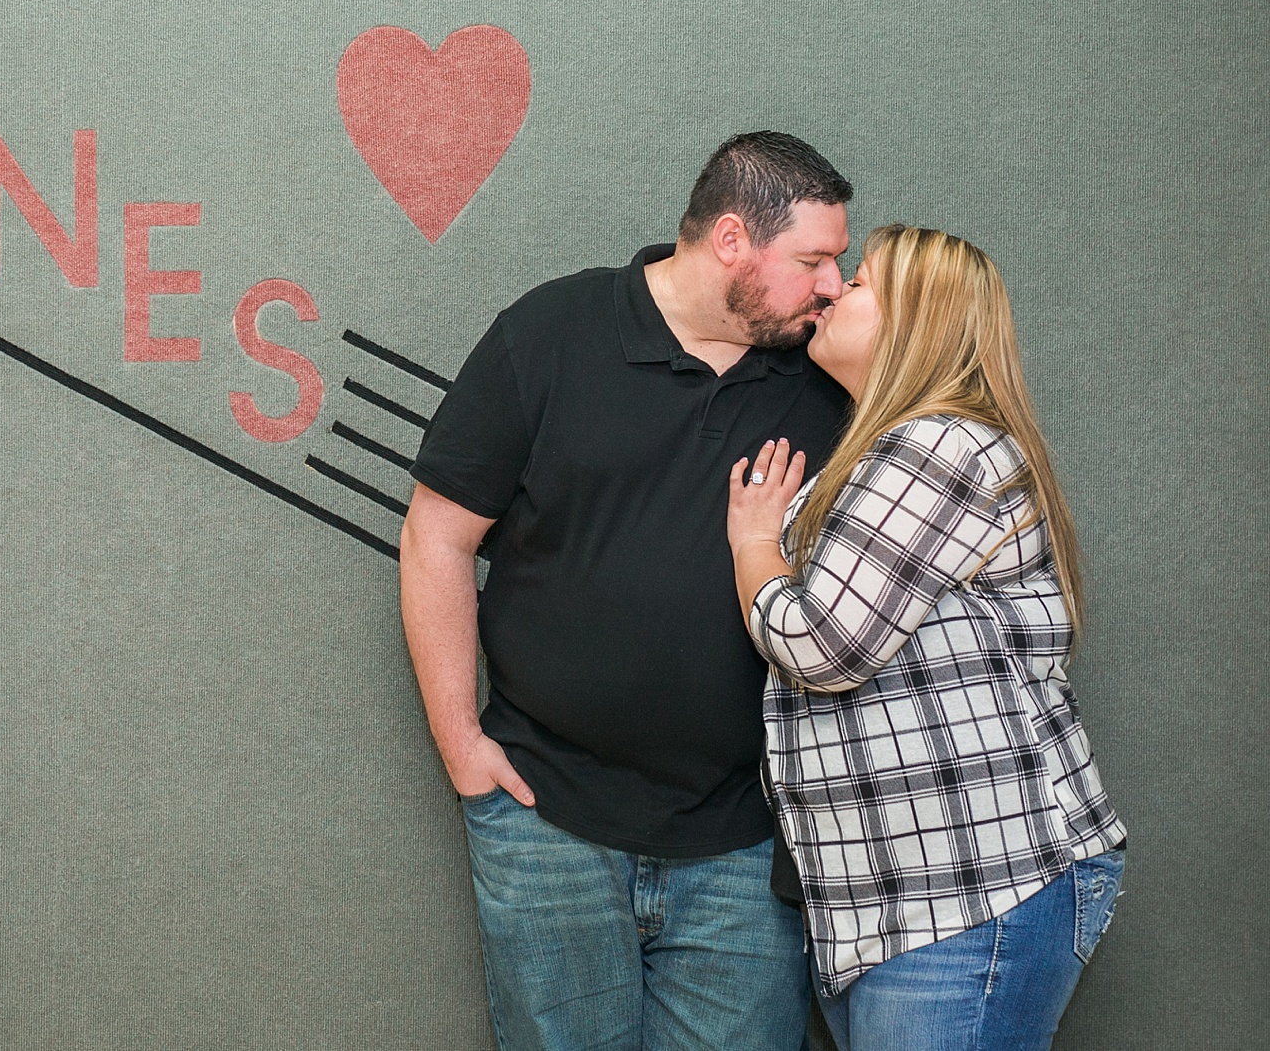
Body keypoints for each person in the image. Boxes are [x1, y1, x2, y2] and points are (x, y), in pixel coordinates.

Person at [402, 131, 855, 1051]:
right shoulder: (551, 333)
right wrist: (463, 747)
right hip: (547, 821)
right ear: (731, 240)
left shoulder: (828, 378)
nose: (833, 285)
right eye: (813, 259)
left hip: (745, 843)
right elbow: (436, 537)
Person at [726, 225, 1127, 1051]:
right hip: (907, 907)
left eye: (863, 283)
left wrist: (753, 543)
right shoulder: (893, 447)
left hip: (968, 897)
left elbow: (823, 645)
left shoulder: (935, 444)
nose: (833, 291)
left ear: (918, 324)